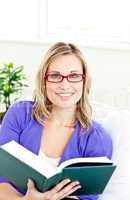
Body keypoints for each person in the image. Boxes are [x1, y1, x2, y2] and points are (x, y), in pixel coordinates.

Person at [0, 42, 112, 200]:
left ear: (84, 81)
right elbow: (2, 181)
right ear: (44, 81)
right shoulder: (19, 115)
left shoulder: (97, 139)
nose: (65, 85)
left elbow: (86, 196)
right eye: (55, 76)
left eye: (74, 76)